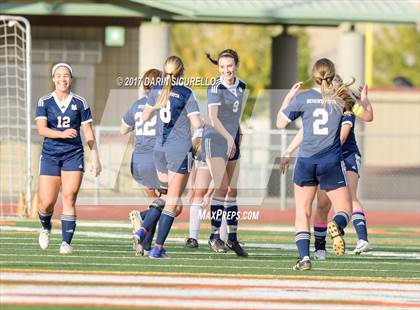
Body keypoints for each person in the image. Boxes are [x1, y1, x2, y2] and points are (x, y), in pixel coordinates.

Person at [280, 76, 374, 260]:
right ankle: (321, 248)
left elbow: (343, 136)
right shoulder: (323, 104)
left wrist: (364, 100)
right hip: (329, 159)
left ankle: (360, 239)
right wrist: (290, 149)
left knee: (347, 198)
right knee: (323, 206)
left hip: (343, 156)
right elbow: (307, 130)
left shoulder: (345, 104)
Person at [276, 58, 353, 271]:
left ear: (314, 75)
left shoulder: (304, 97)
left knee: (302, 211)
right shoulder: (342, 98)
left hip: (306, 161)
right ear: (332, 74)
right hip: (330, 161)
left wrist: (289, 97)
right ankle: (336, 225)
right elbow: (366, 114)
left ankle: (304, 258)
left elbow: (280, 123)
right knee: (345, 209)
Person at [132, 55, 203, 258]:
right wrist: (207, 123)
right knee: (172, 201)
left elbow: (144, 117)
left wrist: (156, 106)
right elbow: (197, 124)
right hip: (178, 150)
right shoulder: (186, 92)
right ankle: (157, 247)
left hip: (159, 150)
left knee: (166, 197)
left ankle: (143, 227)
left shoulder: (157, 91)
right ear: (182, 72)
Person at [35, 63, 101, 254]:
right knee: (46, 203)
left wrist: (95, 156)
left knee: (69, 197)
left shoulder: (80, 102)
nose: (62, 79)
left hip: (73, 155)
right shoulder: (44, 101)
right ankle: (46, 227)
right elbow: (42, 129)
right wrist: (62, 134)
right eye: (59, 75)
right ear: (53, 79)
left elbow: (87, 132)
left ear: (71, 79)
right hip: (50, 155)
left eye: (66, 76)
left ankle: (66, 243)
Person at [201, 49, 247, 257]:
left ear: (236, 65)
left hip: (232, 139)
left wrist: (238, 134)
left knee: (233, 191)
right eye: (222, 67)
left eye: (229, 66)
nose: (226, 70)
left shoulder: (242, 85)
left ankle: (233, 239)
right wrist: (229, 138)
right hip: (215, 140)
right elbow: (213, 118)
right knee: (220, 188)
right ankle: (214, 236)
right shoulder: (215, 87)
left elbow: (235, 116)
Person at [120, 68, 163, 256]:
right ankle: (141, 218)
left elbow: (123, 129)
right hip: (157, 160)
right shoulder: (165, 105)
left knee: (156, 203)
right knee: (167, 204)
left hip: (138, 160)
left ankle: (144, 245)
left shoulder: (138, 104)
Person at [185, 128, 228, 248]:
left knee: (223, 196)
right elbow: (192, 164)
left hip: (221, 150)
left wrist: (209, 194)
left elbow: (218, 176)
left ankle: (219, 238)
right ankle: (192, 238)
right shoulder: (198, 139)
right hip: (208, 140)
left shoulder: (220, 144)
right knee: (198, 195)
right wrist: (191, 188)